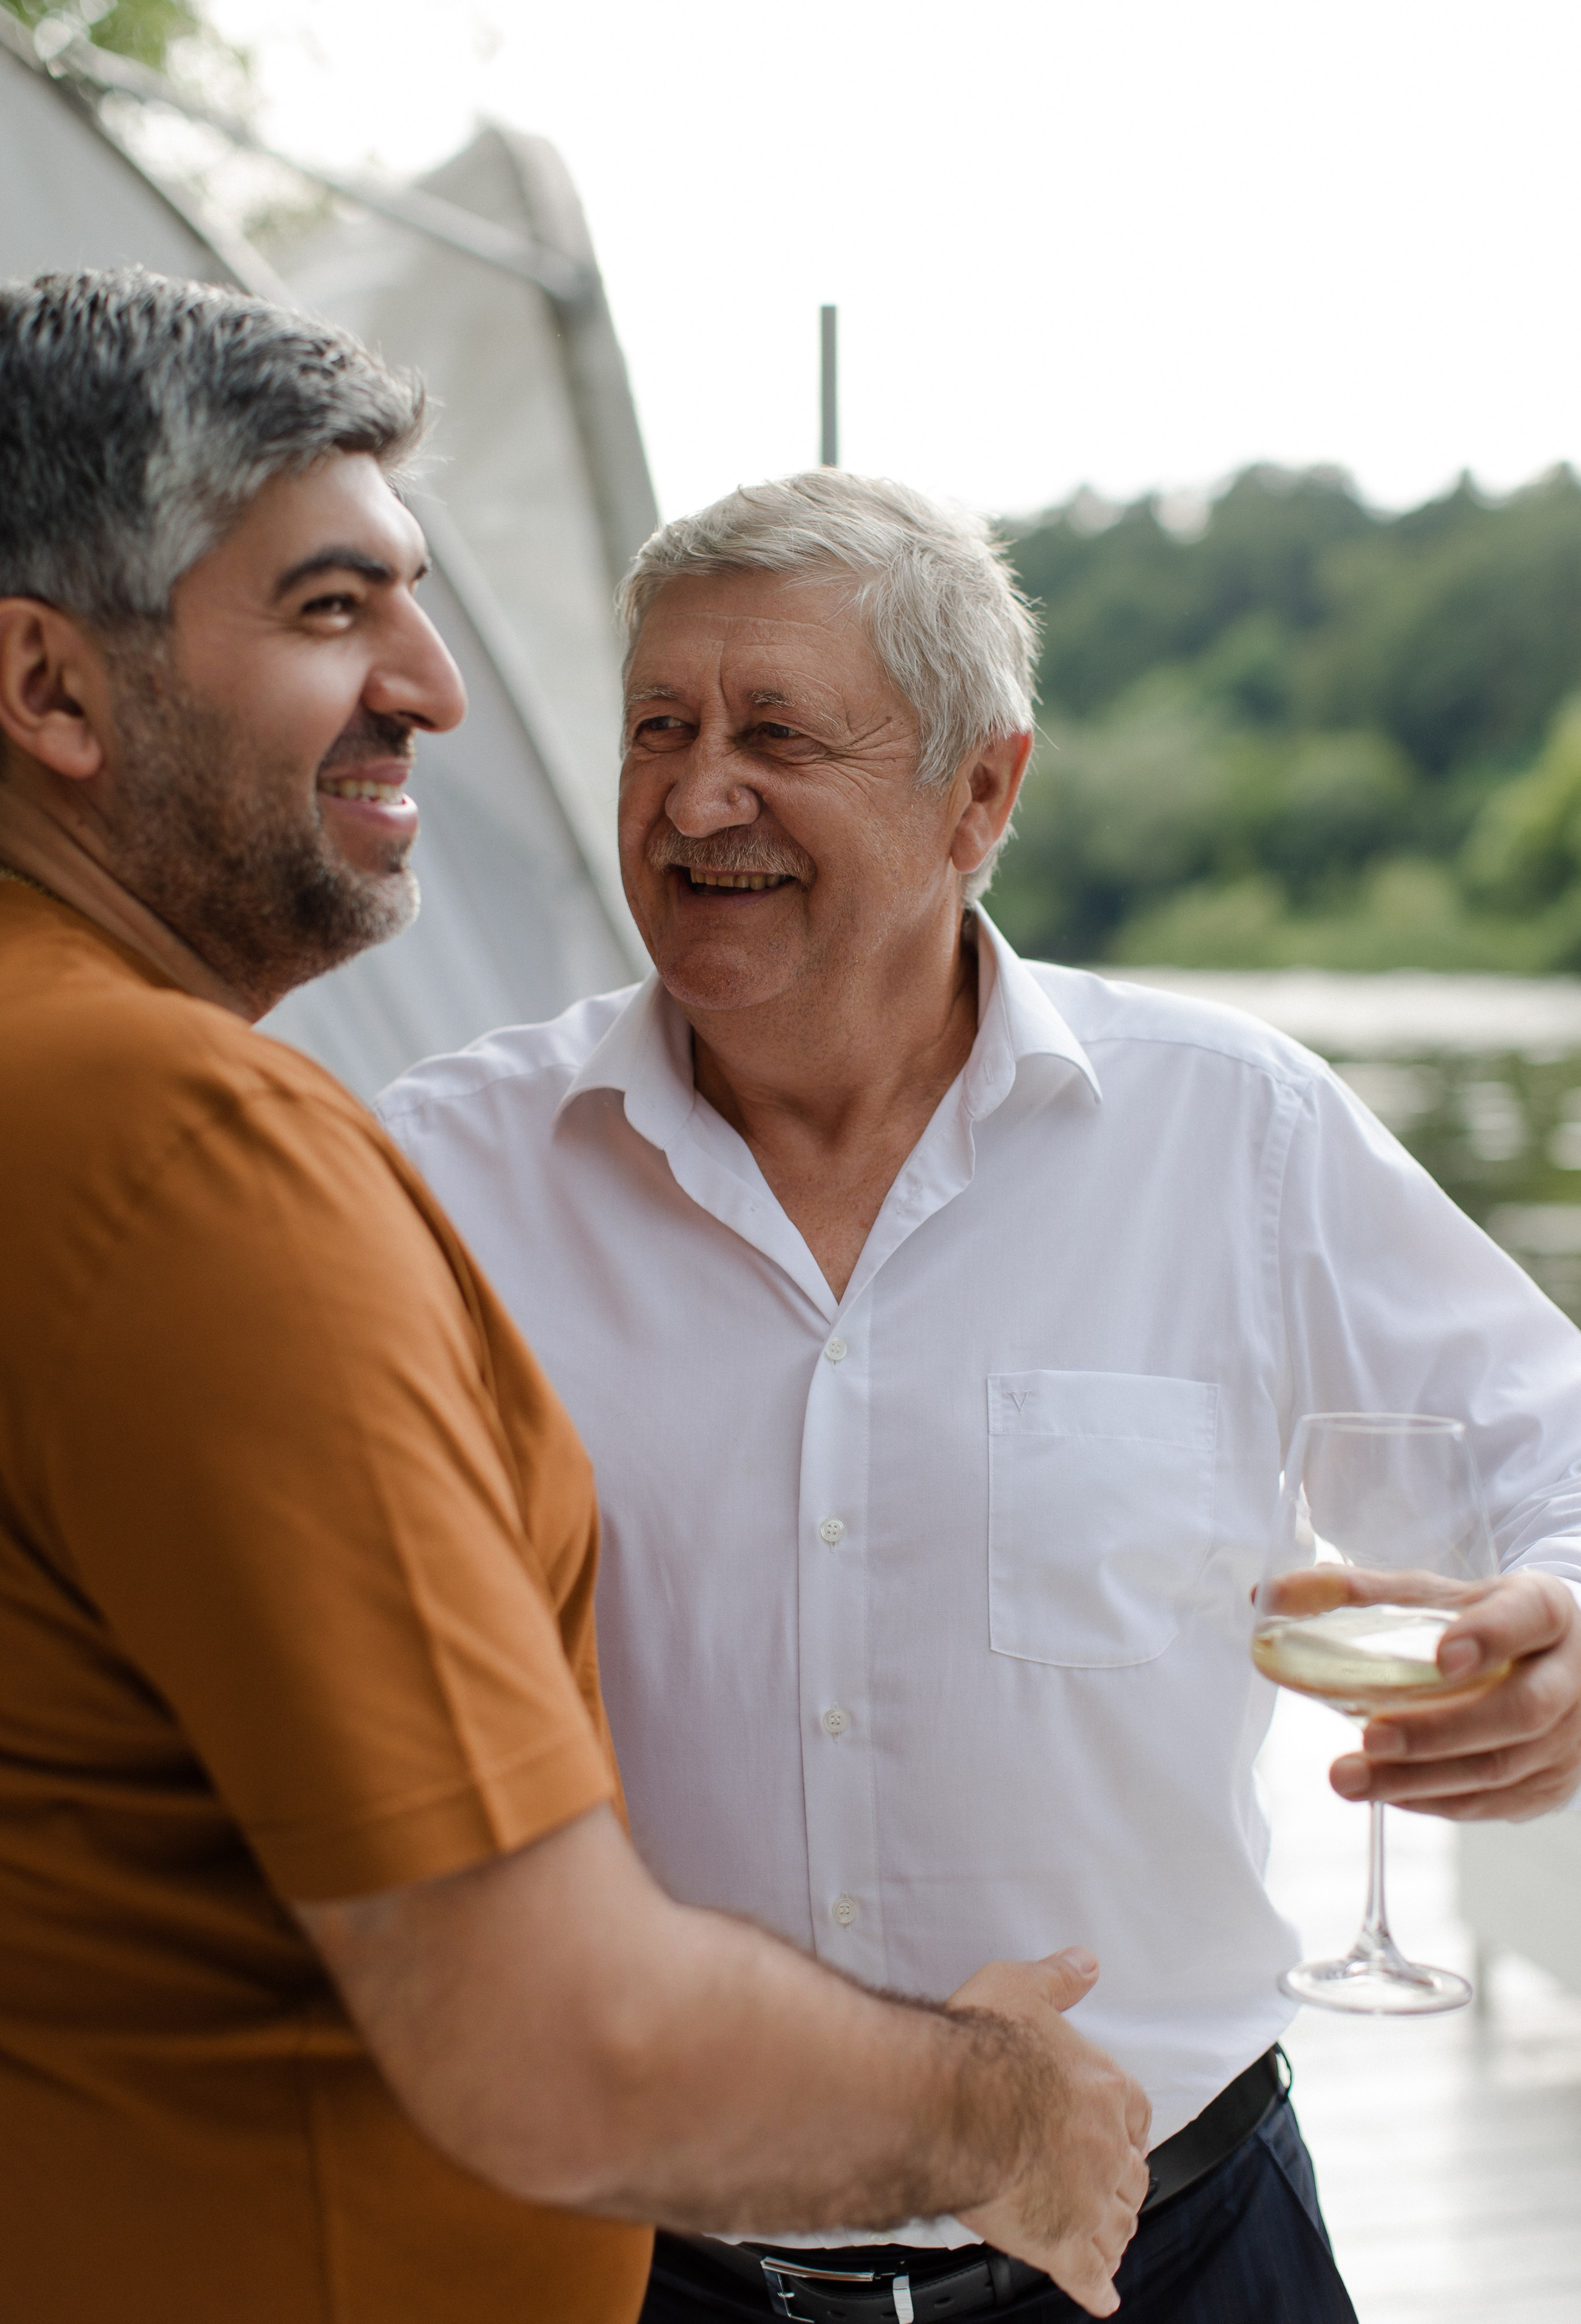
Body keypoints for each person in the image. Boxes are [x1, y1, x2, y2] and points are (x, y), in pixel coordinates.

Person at [0, 275, 1154, 2324]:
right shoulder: (195, 1153)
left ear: (984, 797)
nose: (436, 687)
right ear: (52, 690)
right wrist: (1007, 2119)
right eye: (333, 607)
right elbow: (558, 2041)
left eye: (415, 601)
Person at [380, 467, 1581, 2324]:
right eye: (659, 728)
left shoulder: (1232, 1133)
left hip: (1176, 2257)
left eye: (777, 732)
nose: (698, 797)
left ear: (982, 794)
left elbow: (1546, 1449)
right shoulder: (439, 1179)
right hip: (639, 2275)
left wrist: (1567, 1627)